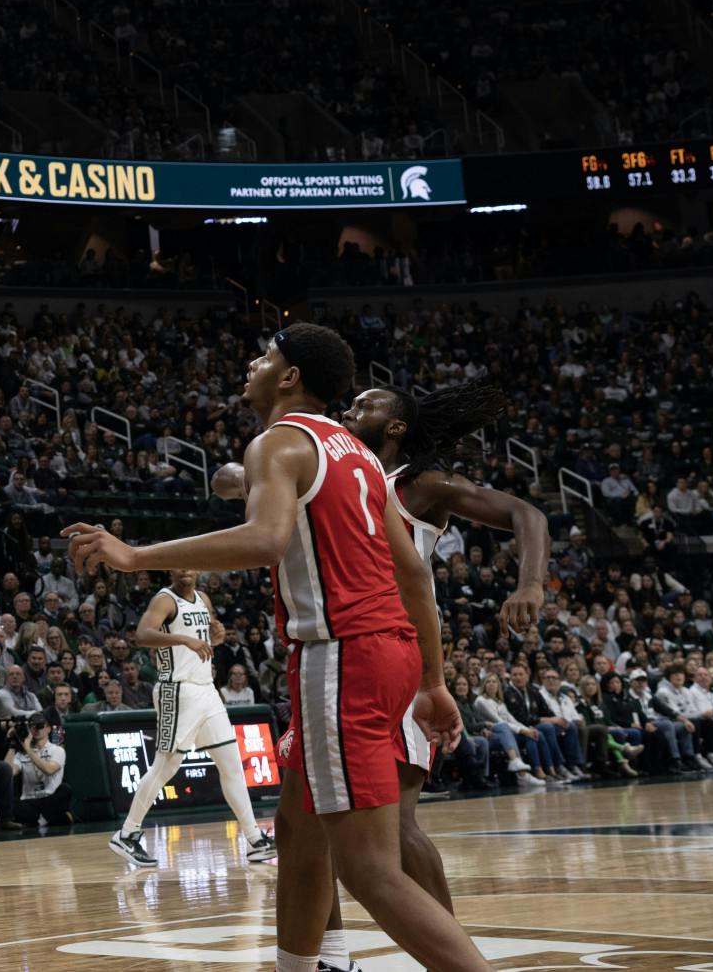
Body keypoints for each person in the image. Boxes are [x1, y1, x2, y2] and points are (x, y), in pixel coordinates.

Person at [67, 323, 493, 972]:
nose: (252, 363)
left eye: (265, 354)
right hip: (390, 653)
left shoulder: (280, 440)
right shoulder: (357, 451)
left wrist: (134, 555)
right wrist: (432, 680)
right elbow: (411, 571)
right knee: (298, 835)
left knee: (370, 869)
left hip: (341, 655)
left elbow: (265, 539)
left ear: (290, 376)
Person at [328, 383, 552, 924]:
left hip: (397, 661)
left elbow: (528, 515)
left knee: (398, 831)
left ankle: (452, 956)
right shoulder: (334, 477)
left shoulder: (419, 484)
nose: (347, 411)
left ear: (396, 427)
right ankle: (326, 958)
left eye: (363, 406)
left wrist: (531, 584)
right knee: (308, 828)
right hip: (335, 660)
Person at [108, 570, 274, 866]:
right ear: (171, 570)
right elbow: (143, 635)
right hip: (177, 689)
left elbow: (205, 639)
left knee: (233, 765)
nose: (185, 570)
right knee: (166, 766)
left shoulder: (204, 598)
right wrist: (183, 639)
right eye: (179, 566)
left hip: (206, 690)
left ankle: (254, 841)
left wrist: (216, 638)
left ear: (197, 569)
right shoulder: (165, 600)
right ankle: (127, 833)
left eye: (190, 565)